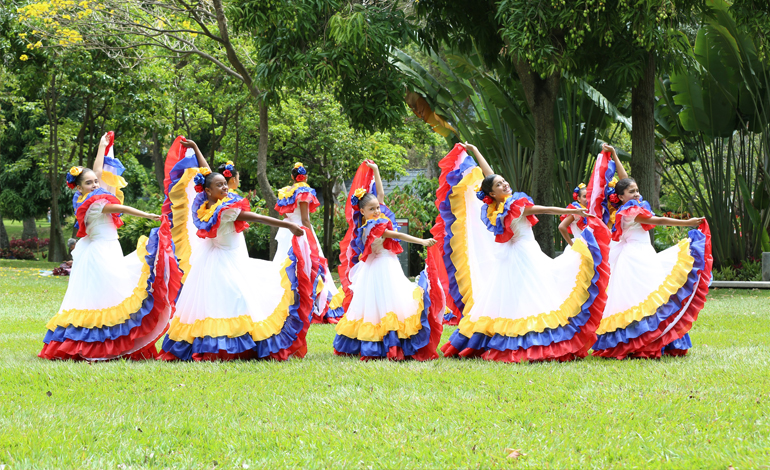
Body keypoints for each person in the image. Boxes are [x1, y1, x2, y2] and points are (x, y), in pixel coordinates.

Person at [433, 142, 610, 362]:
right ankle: (530, 341)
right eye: (500, 184)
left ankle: (503, 339)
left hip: (512, 255)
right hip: (523, 254)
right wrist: (567, 210)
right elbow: (543, 209)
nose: (505, 184)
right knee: (531, 295)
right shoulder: (512, 205)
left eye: (504, 181)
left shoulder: (498, 207)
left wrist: (476, 150)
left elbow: (489, 175)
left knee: (513, 297)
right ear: (492, 193)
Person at [159, 137, 315, 361]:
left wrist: (196, 147)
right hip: (223, 259)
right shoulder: (224, 208)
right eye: (220, 185)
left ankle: (224, 342)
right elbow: (255, 217)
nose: (225, 186)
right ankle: (229, 344)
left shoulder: (205, 206)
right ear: (209, 191)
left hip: (220, 256)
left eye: (225, 183)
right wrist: (287, 224)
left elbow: (206, 171)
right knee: (234, 297)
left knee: (223, 298)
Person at [40, 132, 181, 360]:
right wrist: (146, 214)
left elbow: (96, 171)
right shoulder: (95, 202)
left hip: (98, 247)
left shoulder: (84, 197)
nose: (96, 183)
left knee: (101, 296)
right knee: (107, 295)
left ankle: (98, 340)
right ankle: (100, 344)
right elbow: (120, 209)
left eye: (96, 181)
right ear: (78, 187)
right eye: (90, 183)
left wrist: (101, 147)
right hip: (100, 251)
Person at [589, 144, 712, 359]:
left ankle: (656, 340)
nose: (637, 193)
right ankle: (643, 342)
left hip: (642, 254)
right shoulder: (630, 210)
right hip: (635, 258)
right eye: (632, 192)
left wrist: (616, 155)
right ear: (622, 196)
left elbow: (624, 179)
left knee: (650, 299)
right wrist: (686, 222)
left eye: (637, 190)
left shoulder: (626, 204)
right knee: (644, 300)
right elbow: (657, 220)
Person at [333, 160, 445, 361]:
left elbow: (381, 196)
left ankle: (378, 340)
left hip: (381, 264)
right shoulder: (373, 227)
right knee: (386, 302)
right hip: (382, 266)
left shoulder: (371, 222)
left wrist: (376, 171)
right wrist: (422, 241)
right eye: (372, 209)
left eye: (377, 208)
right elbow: (398, 236)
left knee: (379, 304)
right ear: (363, 212)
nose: (377, 211)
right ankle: (386, 341)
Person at [274, 163, 344, 324]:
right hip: (300, 229)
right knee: (307, 265)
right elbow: (305, 219)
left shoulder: (285, 192)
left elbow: (284, 215)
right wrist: (311, 237)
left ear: (292, 177)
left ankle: (287, 301)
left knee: (284, 265)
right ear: (305, 177)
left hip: (287, 230)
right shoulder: (303, 191)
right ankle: (309, 301)